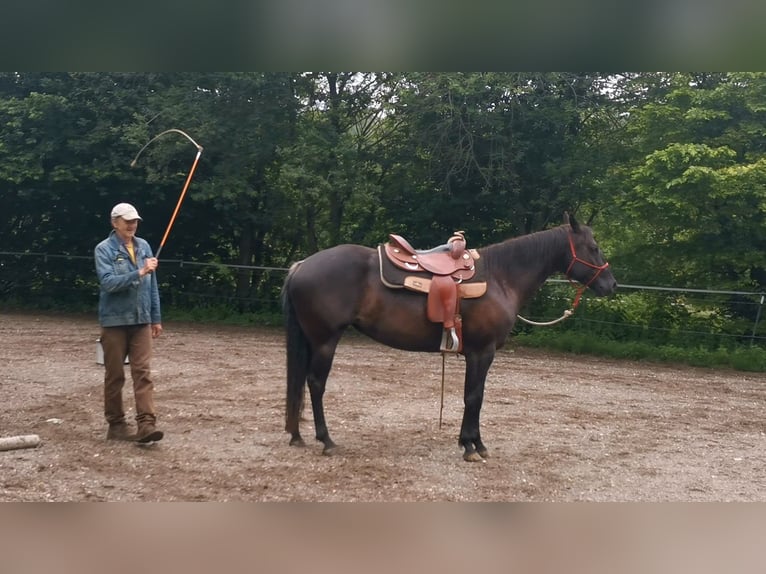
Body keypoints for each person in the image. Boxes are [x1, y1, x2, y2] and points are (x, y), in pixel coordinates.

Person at [94, 202, 164, 443]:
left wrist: (155, 317)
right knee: (114, 375)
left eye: (135, 221)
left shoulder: (144, 246)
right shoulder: (103, 250)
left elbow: (152, 285)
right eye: (127, 221)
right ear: (115, 223)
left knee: (143, 373)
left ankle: (146, 425)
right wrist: (139, 273)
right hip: (113, 322)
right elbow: (109, 283)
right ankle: (116, 425)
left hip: (142, 320)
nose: (132, 225)